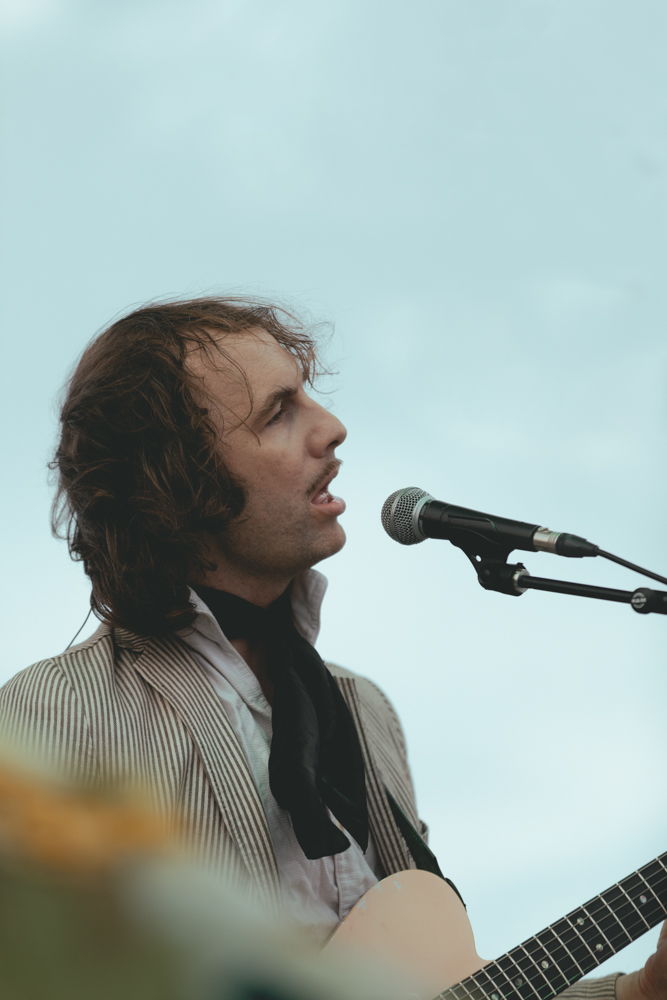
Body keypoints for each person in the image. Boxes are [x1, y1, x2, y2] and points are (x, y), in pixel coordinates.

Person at [1, 297, 663, 1000]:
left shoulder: (362, 709)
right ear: (175, 478)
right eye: (277, 413)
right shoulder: (55, 712)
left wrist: (640, 991)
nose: (332, 428)